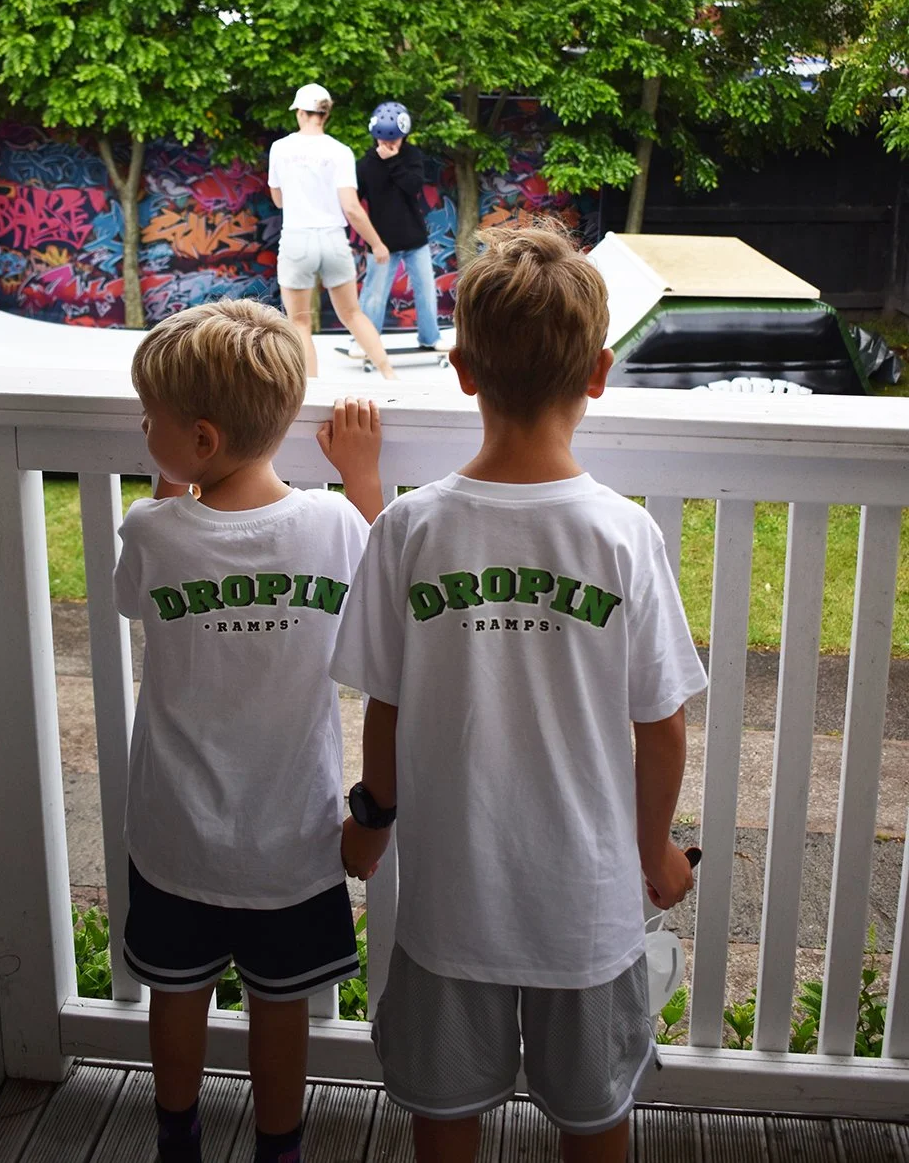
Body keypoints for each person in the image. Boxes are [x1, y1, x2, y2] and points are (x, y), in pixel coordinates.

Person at [330, 225, 708, 1163]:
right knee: (596, 1119)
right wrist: (653, 848)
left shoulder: (410, 529)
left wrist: (371, 823)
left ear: (462, 371)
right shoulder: (623, 537)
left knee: (443, 1113)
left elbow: (386, 707)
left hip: (449, 902)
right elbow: (660, 726)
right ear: (599, 372)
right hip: (589, 904)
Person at [113, 296, 384, 1163]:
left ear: (199, 441)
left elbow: (132, 596)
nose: (140, 427)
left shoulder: (155, 531)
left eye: (149, 418)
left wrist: (172, 485)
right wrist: (365, 478)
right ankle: (279, 1149)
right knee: (281, 1007)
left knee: (177, 995)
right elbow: (385, 599)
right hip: (292, 838)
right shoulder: (334, 524)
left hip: (176, 837)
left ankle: (177, 1138)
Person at [268, 82, 396, 379]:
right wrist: (377, 244)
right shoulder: (340, 151)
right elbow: (351, 207)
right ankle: (389, 375)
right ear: (325, 115)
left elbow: (278, 199)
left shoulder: (280, 148)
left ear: (301, 112)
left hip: (297, 238)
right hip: (333, 240)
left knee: (300, 323)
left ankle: (312, 390)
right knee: (352, 314)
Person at [355, 102, 441, 350]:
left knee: (426, 290)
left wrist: (393, 162)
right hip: (382, 243)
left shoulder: (411, 155)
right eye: (385, 141)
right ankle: (365, 342)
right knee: (374, 295)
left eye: (396, 141)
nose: (391, 145)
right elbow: (354, 200)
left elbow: (413, 186)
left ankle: (430, 338)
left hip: (415, 240)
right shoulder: (366, 164)